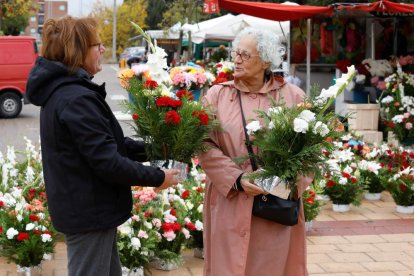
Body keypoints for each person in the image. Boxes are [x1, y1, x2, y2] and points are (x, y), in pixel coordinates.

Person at [26, 16, 179, 276]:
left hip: (89, 211)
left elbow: (111, 145)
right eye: (97, 44)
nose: (102, 50)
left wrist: (158, 149)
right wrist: (158, 177)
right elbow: (107, 161)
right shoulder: (75, 98)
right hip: (89, 213)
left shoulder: (69, 91)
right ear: (78, 50)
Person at [198, 27, 314, 276]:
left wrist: (274, 184)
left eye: (245, 55)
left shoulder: (293, 97)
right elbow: (203, 143)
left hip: (274, 207)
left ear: (266, 61)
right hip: (229, 201)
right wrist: (237, 179)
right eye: (235, 53)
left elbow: (311, 152)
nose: (236, 59)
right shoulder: (217, 95)